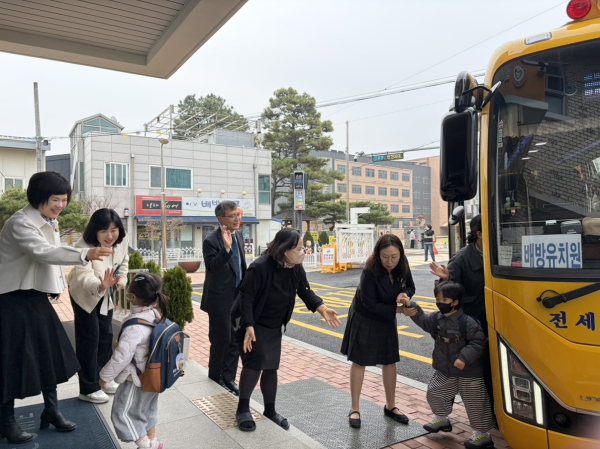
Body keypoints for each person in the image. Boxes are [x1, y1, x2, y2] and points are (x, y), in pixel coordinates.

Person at [0, 172, 112, 443]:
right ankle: (6, 420)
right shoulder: (21, 222)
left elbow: (49, 256)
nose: (61, 205)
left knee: (49, 354)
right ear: (39, 197)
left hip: (35, 298)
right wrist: (84, 253)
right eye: (55, 199)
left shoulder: (49, 220)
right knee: (10, 360)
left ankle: (51, 410)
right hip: (12, 300)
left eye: (64, 199)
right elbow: (44, 252)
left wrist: (54, 286)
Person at [234, 228, 341, 432]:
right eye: (299, 248)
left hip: (274, 325)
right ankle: (243, 409)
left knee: (271, 367)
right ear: (285, 249)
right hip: (253, 323)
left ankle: (270, 410)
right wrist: (248, 326)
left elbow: (305, 291)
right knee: (254, 364)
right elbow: (246, 298)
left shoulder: (295, 267)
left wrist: (322, 309)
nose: (302, 252)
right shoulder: (260, 267)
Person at [399, 281, 494, 449]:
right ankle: (442, 419)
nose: (439, 303)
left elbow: (478, 343)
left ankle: (482, 434)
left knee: (476, 403)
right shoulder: (436, 318)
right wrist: (410, 304)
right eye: (437, 299)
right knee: (434, 392)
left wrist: (464, 358)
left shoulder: (468, 322)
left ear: (455, 302)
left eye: (444, 300)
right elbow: (422, 319)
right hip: (445, 370)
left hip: (469, 373)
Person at [340, 234, 415, 429]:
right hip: (365, 315)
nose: (390, 261)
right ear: (377, 254)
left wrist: (404, 293)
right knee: (360, 360)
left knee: (390, 360)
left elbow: (410, 286)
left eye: (394, 257)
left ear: (400, 255)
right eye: (385, 257)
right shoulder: (369, 270)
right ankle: (355, 408)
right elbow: (370, 304)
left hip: (386, 316)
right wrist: (400, 310)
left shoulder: (403, 265)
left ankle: (391, 406)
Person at [428, 215, 494, 413]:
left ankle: (490, 411)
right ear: (479, 234)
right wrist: (447, 278)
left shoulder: (497, 251)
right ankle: (441, 414)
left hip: (489, 320)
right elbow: (444, 291)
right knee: (453, 369)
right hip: (466, 325)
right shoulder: (463, 257)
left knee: (482, 367)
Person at [68, 208, 129, 404]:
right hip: (85, 294)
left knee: (106, 335)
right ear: (94, 230)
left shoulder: (121, 242)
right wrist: (100, 285)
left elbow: (124, 262)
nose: (109, 236)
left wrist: (121, 281)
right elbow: (84, 276)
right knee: (89, 338)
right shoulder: (83, 246)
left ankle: (103, 379)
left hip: (106, 291)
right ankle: (88, 388)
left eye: (114, 230)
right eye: (103, 231)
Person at [99, 273, 166, 449]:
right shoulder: (155, 313)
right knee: (147, 409)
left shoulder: (134, 326)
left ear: (132, 297)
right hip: (154, 376)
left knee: (122, 413)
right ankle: (153, 442)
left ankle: (145, 446)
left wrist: (105, 377)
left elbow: (122, 356)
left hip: (136, 380)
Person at [200, 201, 247, 395]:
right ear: (221, 219)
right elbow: (212, 268)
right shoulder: (211, 241)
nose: (237, 219)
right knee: (221, 341)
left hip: (238, 298)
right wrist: (226, 249)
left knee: (235, 340)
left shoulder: (239, 236)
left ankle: (229, 379)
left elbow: (241, 266)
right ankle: (216, 377)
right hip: (220, 300)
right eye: (232, 215)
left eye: (238, 214)